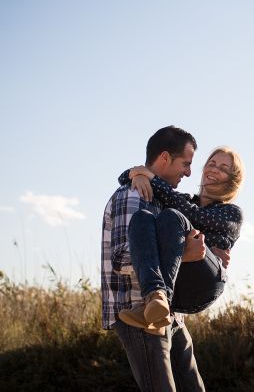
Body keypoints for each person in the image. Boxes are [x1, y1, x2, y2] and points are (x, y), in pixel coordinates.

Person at [101, 125, 211, 392]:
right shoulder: (134, 194)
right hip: (138, 312)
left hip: (171, 314)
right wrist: (184, 254)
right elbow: (122, 258)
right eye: (185, 164)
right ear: (164, 157)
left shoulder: (162, 197)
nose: (188, 173)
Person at [115, 146, 244, 333]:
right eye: (212, 163)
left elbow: (193, 215)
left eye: (223, 168)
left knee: (172, 216)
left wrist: (151, 178)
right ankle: (156, 301)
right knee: (141, 217)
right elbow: (122, 177)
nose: (215, 169)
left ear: (233, 180)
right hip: (176, 282)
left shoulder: (232, 212)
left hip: (203, 283)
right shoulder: (183, 200)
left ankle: (161, 301)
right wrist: (139, 176)